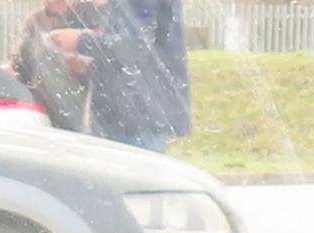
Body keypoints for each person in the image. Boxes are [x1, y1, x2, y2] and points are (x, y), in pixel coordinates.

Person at [74, 0, 191, 151]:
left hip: (136, 115)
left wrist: (81, 40)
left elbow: (134, 45)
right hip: (138, 112)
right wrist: (92, 63)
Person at [12, 0, 96, 130]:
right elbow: (22, 66)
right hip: (41, 112)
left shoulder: (91, 16)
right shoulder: (36, 20)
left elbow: (111, 60)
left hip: (81, 115)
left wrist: (86, 69)